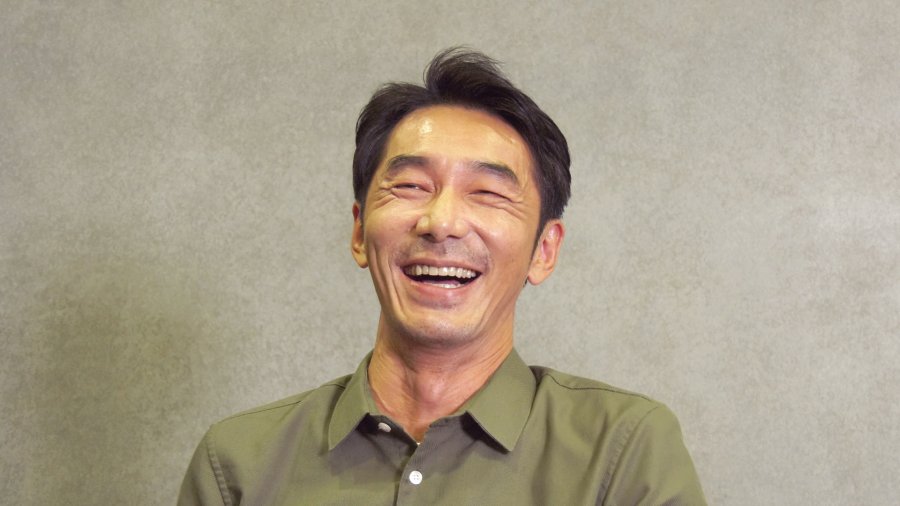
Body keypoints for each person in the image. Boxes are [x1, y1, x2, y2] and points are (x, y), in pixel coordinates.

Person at [178, 48, 706, 505]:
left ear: (544, 251)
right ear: (359, 232)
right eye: (411, 186)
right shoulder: (240, 464)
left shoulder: (624, 450)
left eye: (488, 193)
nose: (442, 222)